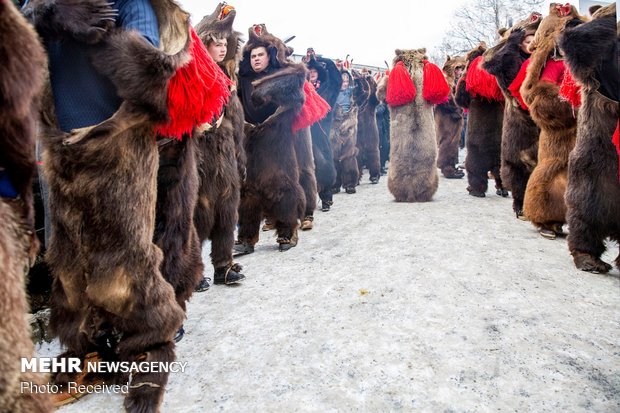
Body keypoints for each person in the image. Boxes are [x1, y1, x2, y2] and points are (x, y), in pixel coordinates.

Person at [24, 0, 228, 409]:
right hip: (62, 153)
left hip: (117, 150)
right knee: (68, 264)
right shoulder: (41, 3)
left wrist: (89, 31)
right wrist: (50, 16)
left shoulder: (129, 2)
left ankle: (149, 355)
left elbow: (151, 77)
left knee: (125, 266)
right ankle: (88, 355)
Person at [234, 24, 308, 253]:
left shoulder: (285, 74)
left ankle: (287, 232)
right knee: (248, 190)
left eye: (261, 54)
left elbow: (297, 95)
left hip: (277, 139)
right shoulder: (241, 78)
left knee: (282, 184)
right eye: (253, 55)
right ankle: (247, 238)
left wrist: (266, 88)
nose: (256, 59)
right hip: (250, 140)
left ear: (269, 56)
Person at [193, 2, 246, 286]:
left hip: (225, 156)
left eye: (225, 43)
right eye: (216, 43)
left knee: (227, 213)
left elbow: (237, 122)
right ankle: (194, 271)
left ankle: (224, 266)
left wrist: (240, 156)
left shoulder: (227, 78)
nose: (222, 48)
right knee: (197, 216)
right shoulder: (193, 77)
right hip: (199, 156)